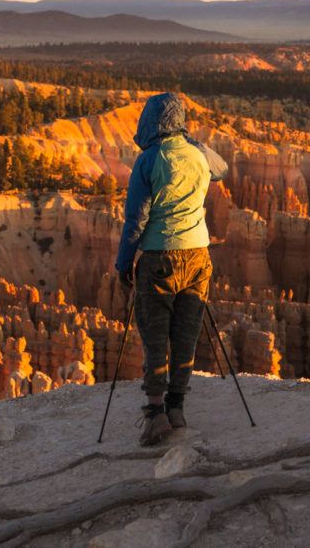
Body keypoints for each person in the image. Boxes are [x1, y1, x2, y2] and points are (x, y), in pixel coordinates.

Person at [115, 92, 228, 446]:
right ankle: (176, 407)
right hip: (198, 256)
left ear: (150, 122)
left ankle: (155, 414)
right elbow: (222, 169)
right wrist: (191, 140)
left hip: (159, 257)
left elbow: (136, 219)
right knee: (185, 335)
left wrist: (123, 263)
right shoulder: (199, 156)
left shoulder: (149, 160)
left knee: (154, 335)